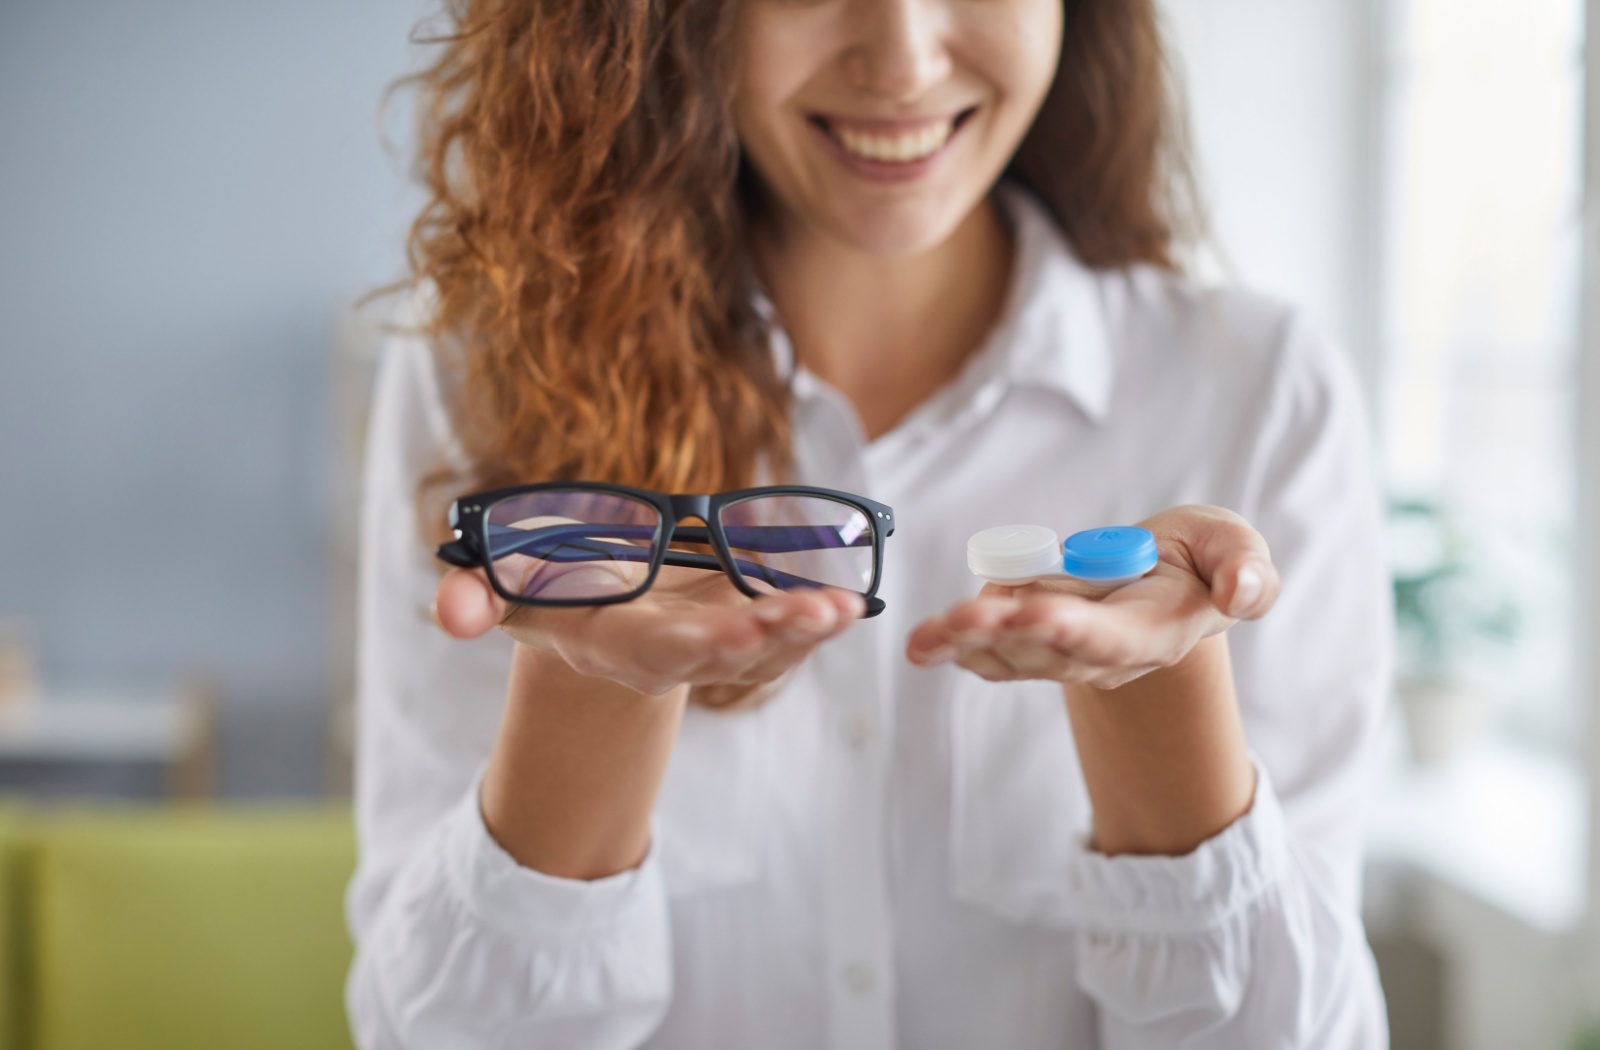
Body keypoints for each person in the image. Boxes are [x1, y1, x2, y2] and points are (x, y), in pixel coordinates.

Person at [345, 0, 1393, 1046]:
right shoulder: (482, 381)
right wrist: (591, 695)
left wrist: (1159, 695)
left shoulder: (1258, 394)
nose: (902, 60)